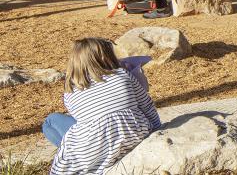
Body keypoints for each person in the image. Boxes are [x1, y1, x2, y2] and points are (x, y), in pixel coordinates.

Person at [45, 37, 161, 175]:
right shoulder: (123, 74)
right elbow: (146, 105)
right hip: (134, 132)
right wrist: (158, 129)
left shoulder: (70, 91)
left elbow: (80, 120)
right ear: (106, 57)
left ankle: (84, 160)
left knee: (51, 121)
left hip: (94, 144)